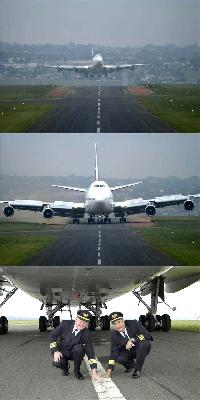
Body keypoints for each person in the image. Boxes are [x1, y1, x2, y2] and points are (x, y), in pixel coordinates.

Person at [49, 310, 100, 381]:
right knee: (58, 362)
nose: (82, 324)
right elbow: (52, 336)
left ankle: (77, 371)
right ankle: (65, 368)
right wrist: (55, 351)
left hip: (74, 353)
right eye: (81, 321)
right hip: (62, 352)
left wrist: (94, 371)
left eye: (85, 323)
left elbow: (90, 352)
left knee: (79, 349)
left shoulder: (86, 333)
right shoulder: (65, 324)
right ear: (76, 319)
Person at [104, 312, 153, 379]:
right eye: (115, 324)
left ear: (123, 320)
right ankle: (130, 366)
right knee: (120, 359)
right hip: (128, 350)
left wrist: (133, 340)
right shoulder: (114, 336)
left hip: (141, 348)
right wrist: (108, 371)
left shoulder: (133, 323)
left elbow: (147, 335)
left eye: (119, 322)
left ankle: (137, 369)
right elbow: (113, 353)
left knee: (143, 344)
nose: (117, 326)